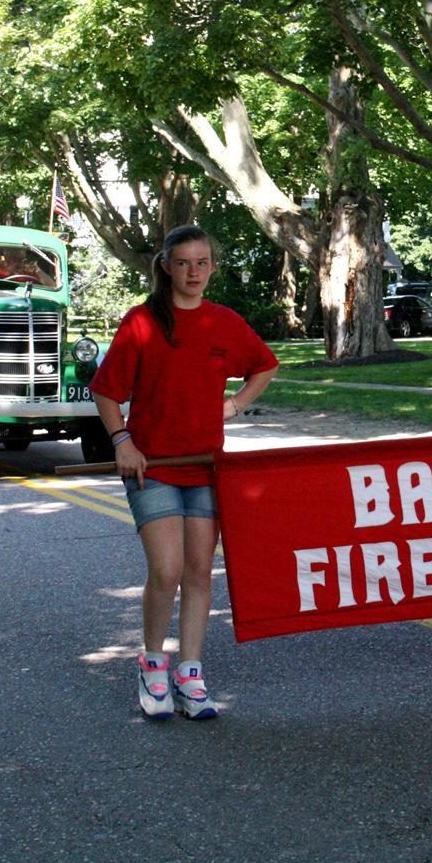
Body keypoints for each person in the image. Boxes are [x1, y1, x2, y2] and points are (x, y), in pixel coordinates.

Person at [87, 225, 279, 721]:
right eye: (184, 263)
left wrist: (234, 405)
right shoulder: (142, 322)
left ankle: (189, 671)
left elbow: (264, 364)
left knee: (199, 571)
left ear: (212, 267)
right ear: (166, 267)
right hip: (152, 467)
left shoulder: (224, 322)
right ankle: (153, 664)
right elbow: (106, 391)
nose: (194, 272)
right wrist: (122, 441)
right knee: (167, 570)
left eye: (203, 262)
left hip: (205, 466)